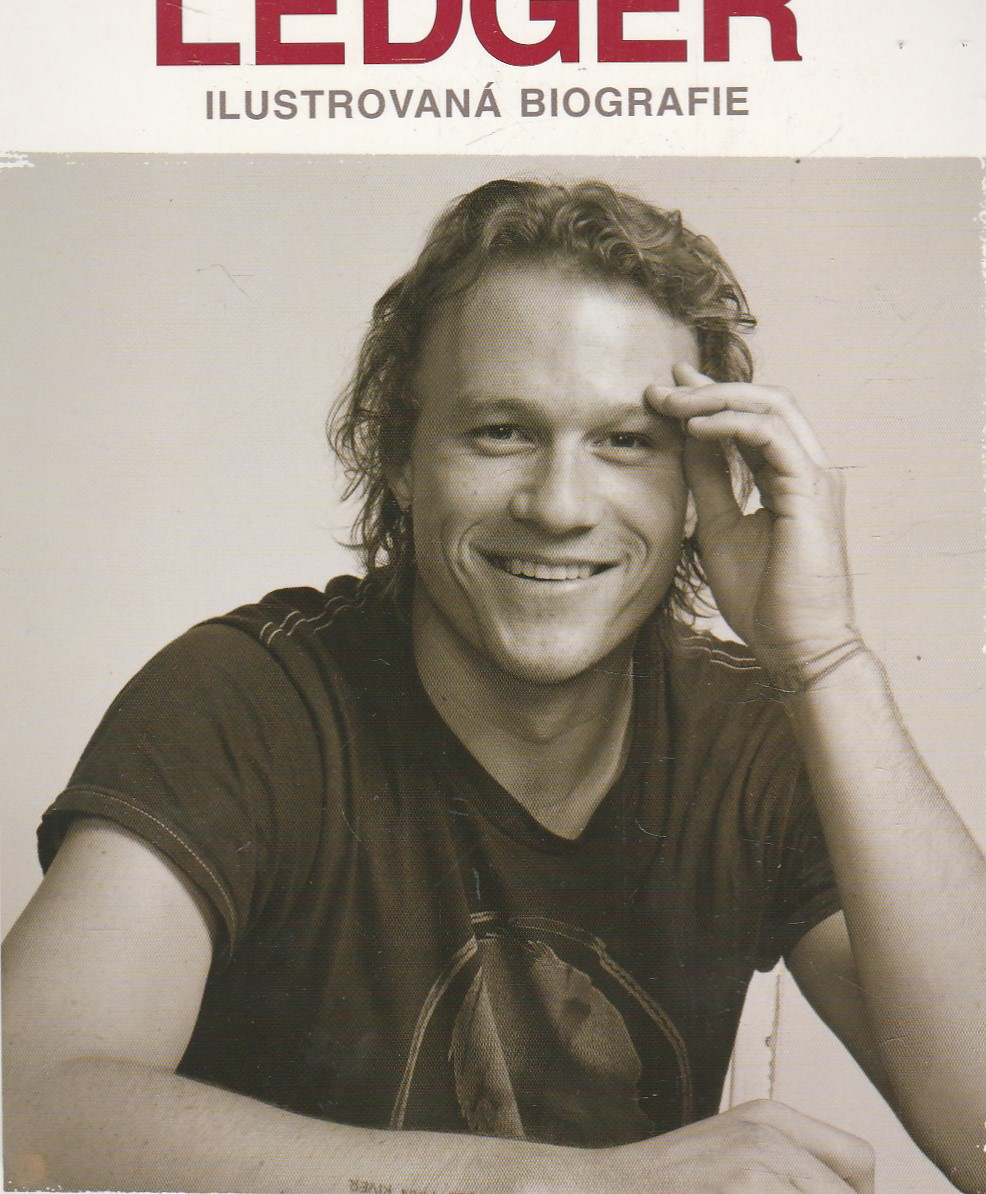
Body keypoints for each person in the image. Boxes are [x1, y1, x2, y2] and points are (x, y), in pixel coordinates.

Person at [3, 179, 984, 1194]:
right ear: (399, 454)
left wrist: (821, 658)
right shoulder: (248, 698)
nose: (559, 506)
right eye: (502, 431)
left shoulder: (753, 734)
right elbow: (21, 1109)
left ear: (698, 488)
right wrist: (570, 1188)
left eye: (625, 442)